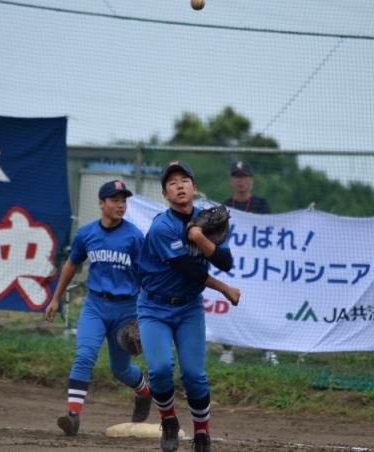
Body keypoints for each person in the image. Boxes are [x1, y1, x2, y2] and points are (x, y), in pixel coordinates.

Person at [137, 160, 240, 452]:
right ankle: (168, 420)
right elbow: (188, 269)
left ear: (194, 188)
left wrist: (198, 236)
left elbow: (226, 262)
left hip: (189, 308)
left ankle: (202, 434)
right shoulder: (163, 226)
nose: (179, 185)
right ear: (165, 194)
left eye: (184, 180)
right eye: (172, 183)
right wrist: (224, 288)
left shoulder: (208, 220)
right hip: (154, 308)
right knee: (160, 370)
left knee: (194, 375)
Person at [45, 180, 152, 436]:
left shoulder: (134, 236)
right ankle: (73, 416)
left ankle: (145, 393)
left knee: (120, 370)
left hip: (126, 309)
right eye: (114, 200)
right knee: (84, 356)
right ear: (101, 204)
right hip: (95, 305)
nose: (121, 205)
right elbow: (72, 264)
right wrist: (55, 298)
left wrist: (146, 312)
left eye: (123, 200)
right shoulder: (86, 233)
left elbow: (147, 276)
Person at [221, 160, 278, 366]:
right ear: (231, 181)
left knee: (262, 306)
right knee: (229, 304)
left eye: (244, 177)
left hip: (256, 266)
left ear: (251, 180)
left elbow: (267, 231)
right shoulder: (226, 205)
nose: (240, 181)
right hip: (233, 265)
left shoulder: (262, 205)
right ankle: (227, 350)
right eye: (236, 176)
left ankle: (267, 349)